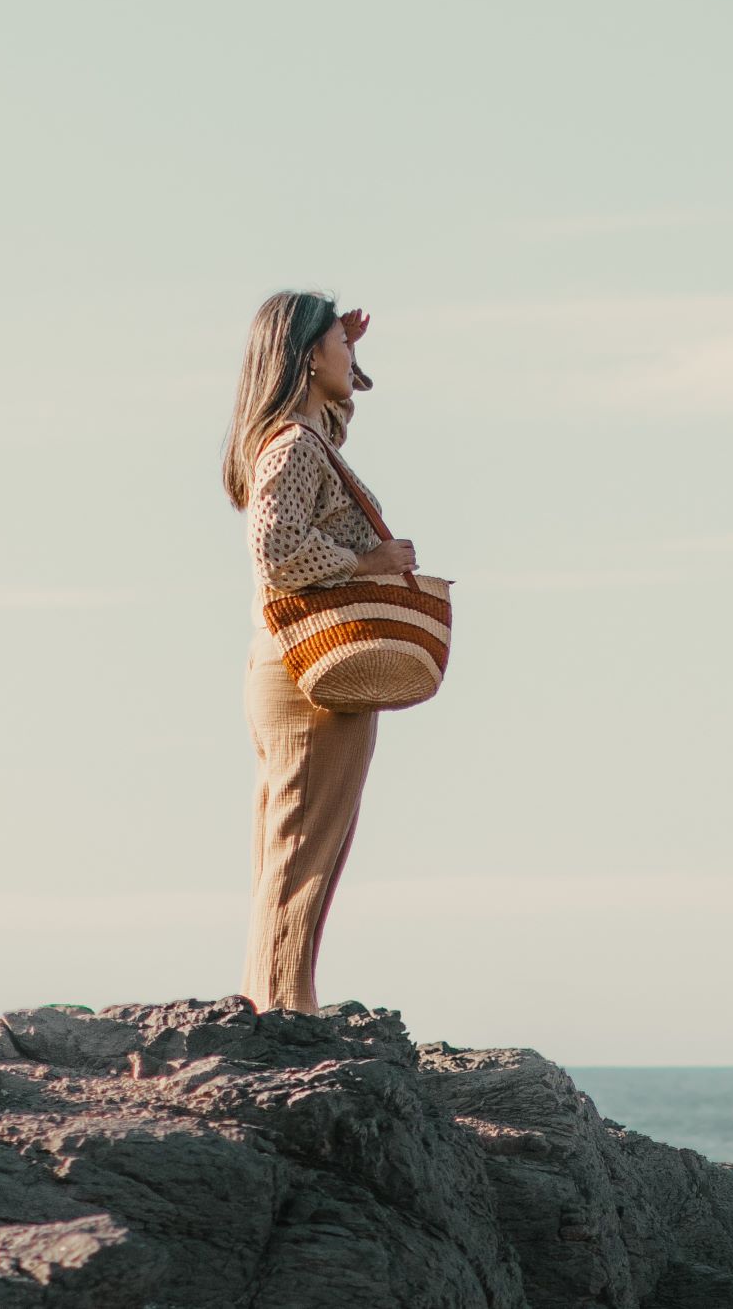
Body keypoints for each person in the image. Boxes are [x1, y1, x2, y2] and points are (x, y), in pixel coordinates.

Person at [221, 291, 418, 1014]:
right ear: (307, 355)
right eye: (341, 343)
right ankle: (279, 1019)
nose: (351, 356)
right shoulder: (296, 446)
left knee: (296, 853)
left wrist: (350, 350)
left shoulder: (303, 437)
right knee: (301, 856)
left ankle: (282, 1006)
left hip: (293, 668)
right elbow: (275, 549)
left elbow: (334, 414)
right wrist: (370, 566)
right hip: (311, 674)